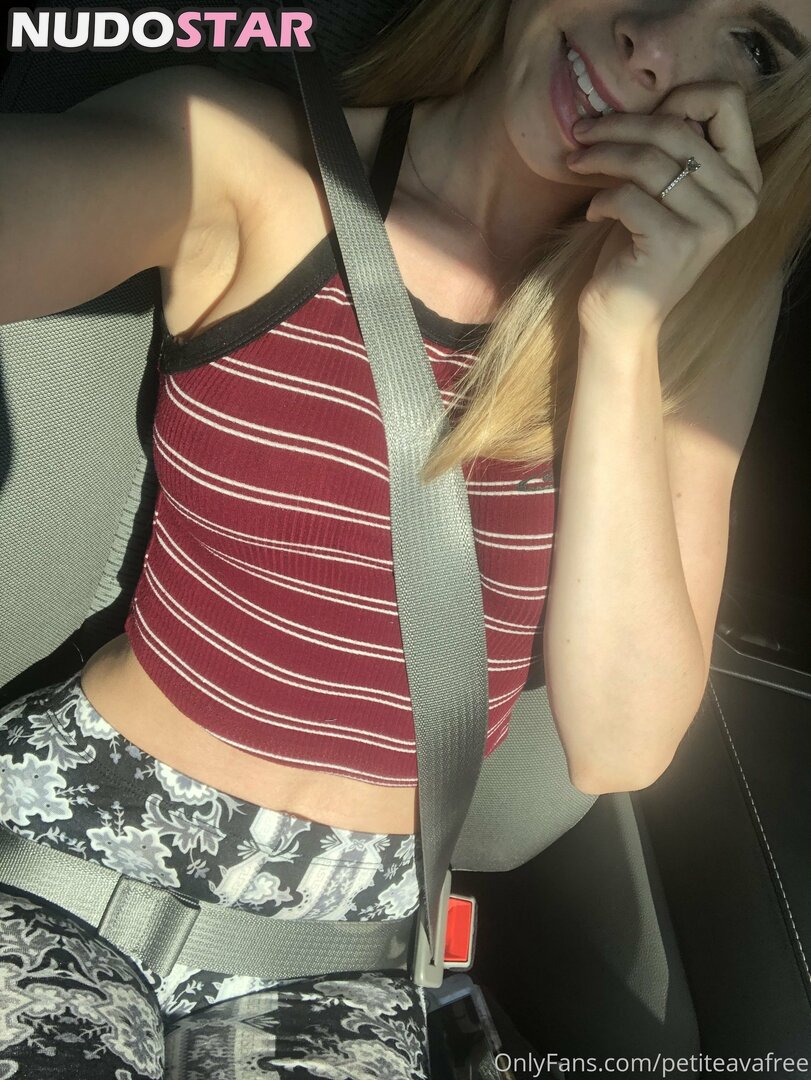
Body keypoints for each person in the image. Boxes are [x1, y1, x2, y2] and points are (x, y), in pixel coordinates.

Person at [1, 0, 810, 1075]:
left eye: (753, 44)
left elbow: (621, 741)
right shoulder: (250, 162)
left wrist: (620, 333)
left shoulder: (691, 318)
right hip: (70, 843)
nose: (654, 45)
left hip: (350, 948)